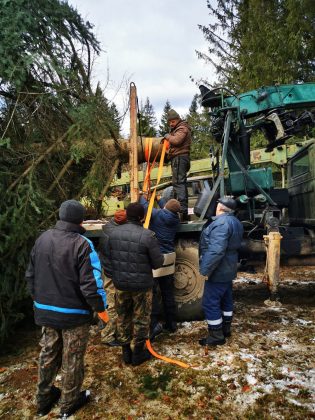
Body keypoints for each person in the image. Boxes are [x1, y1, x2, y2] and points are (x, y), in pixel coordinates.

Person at [25, 200, 107, 418]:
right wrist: (101, 310)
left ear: (61, 216)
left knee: (48, 354)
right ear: (81, 220)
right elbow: (92, 286)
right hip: (74, 316)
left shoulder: (42, 239)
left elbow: (30, 276)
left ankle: (43, 400)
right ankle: (69, 402)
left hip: (45, 311)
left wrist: (38, 301)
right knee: (72, 359)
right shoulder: (82, 244)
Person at [103, 202, 164, 366]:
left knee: (123, 316)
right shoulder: (148, 235)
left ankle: (125, 352)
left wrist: (114, 275)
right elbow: (158, 263)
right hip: (142, 286)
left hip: (120, 285)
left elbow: (107, 259)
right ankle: (138, 353)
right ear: (142, 217)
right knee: (141, 319)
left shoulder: (112, 234)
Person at [198, 197, 243, 346]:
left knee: (210, 302)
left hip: (219, 269)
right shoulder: (235, 221)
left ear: (220, 207)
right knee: (226, 298)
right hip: (228, 267)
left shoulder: (221, 223)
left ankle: (216, 335)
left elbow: (216, 250)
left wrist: (205, 269)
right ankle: (226, 329)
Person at [139, 194, 180, 337]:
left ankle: (155, 323)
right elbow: (166, 207)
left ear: (165, 209)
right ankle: (171, 324)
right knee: (168, 292)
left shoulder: (157, 215)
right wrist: (158, 198)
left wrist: (142, 197)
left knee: (154, 293)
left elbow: (145, 207)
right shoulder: (175, 219)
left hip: (157, 259)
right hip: (169, 258)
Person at [98, 209, 127, 346]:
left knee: (111, 303)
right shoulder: (113, 236)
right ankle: (107, 336)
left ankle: (109, 331)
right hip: (112, 275)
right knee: (112, 305)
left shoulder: (108, 229)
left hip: (110, 272)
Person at [163, 109, 192, 220]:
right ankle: (181, 211)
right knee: (178, 184)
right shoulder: (177, 129)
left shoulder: (182, 128)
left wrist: (167, 136)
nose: (171, 124)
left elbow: (176, 141)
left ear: (178, 119)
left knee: (179, 184)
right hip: (178, 158)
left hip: (180, 158)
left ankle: (182, 211)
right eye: (169, 122)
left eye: (173, 121)